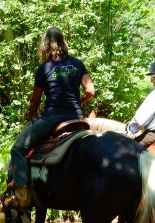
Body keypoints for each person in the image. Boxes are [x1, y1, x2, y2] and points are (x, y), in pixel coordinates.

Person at [9, 27, 95, 208]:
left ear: (45, 45)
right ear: (64, 42)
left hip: (53, 117)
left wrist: (31, 118)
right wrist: (80, 102)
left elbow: (35, 100)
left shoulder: (44, 68)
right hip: (77, 119)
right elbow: (90, 91)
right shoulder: (77, 63)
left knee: (18, 148)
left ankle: (23, 193)